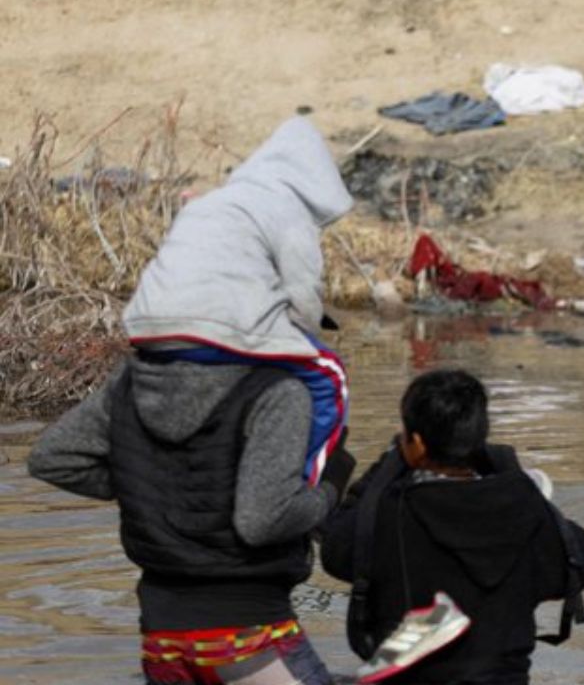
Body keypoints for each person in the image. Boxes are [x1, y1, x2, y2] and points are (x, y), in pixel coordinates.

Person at [26, 117, 361, 685]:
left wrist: (143, 479)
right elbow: (262, 520)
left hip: (162, 640)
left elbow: (51, 457)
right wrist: (329, 493)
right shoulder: (278, 395)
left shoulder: (131, 382)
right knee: (331, 383)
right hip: (247, 637)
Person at [321, 370, 584, 685]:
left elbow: (335, 549)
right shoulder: (525, 513)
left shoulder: (390, 512)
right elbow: (583, 564)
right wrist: (513, 476)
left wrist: (383, 469)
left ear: (415, 444)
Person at [123, 116, 354, 487]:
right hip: (211, 329)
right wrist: (300, 341)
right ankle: (303, 488)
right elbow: (303, 301)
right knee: (331, 377)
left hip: (145, 325)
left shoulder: (213, 203)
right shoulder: (289, 210)